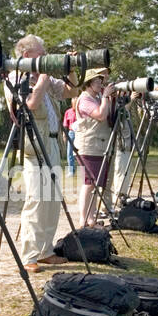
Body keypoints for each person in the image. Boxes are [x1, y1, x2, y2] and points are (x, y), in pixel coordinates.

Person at [3, 34, 77, 272]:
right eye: (41, 53)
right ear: (26, 55)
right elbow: (31, 104)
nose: (45, 57)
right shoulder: (15, 77)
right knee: (36, 199)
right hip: (33, 146)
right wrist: (44, 76)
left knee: (52, 200)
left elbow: (69, 92)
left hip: (53, 143)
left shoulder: (42, 77)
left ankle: (45, 251)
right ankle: (29, 256)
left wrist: (71, 68)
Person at [72, 69, 116, 227]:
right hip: (88, 147)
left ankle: (91, 218)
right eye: (97, 81)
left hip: (98, 146)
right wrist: (105, 97)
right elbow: (100, 115)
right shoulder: (84, 99)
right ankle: (84, 220)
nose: (101, 83)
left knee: (94, 184)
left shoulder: (96, 97)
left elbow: (110, 115)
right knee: (89, 183)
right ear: (89, 83)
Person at [62, 103, 78, 177]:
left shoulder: (81, 110)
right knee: (69, 152)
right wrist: (64, 134)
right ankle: (71, 171)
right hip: (71, 132)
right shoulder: (68, 112)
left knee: (81, 153)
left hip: (80, 132)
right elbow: (65, 125)